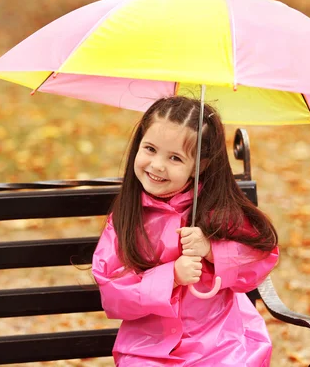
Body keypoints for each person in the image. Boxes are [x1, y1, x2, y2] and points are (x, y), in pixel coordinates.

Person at [92, 96, 279, 366]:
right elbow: (112, 294)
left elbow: (261, 257)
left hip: (221, 343)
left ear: (200, 165)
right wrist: (172, 277)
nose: (157, 165)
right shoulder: (126, 219)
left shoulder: (219, 210)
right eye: (150, 149)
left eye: (175, 158)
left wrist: (214, 250)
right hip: (148, 350)